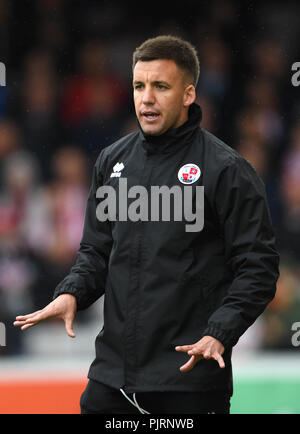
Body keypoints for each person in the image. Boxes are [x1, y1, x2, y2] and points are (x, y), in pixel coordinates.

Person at [14, 35, 280, 414]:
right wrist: (71, 292)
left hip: (188, 379)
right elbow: (96, 251)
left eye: (161, 86)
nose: (146, 98)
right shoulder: (111, 162)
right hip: (111, 379)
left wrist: (220, 332)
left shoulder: (228, 171)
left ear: (188, 94)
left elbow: (259, 268)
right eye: (139, 86)